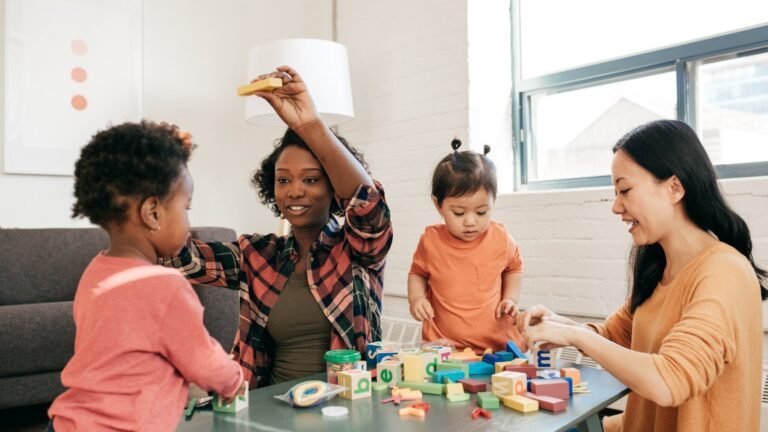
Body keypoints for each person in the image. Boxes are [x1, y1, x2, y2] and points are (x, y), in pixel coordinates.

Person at [518, 119, 767, 432]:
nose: (615, 207)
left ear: (674, 187)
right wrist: (559, 326)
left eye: (625, 190)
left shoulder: (723, 273)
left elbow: (670, 381)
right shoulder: (661, 268)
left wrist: (574, 336)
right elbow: (614, 337)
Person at [163, 66, 393, 387]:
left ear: (333, 188)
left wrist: (311, 125)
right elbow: (177, 256)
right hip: (268, 408)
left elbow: (368, 205)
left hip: (346, 409)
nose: (294, 191)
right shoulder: (257, 255)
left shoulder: (357, 252)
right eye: (283, 180)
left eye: (311, 179)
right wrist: (158, 174)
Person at [47, 122, 245, 432]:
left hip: (71, 421)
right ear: (152, 212)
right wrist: (234, 380)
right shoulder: (164, 286)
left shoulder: (96, 270)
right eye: (186, 207)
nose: (189, 223)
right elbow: (203, 360)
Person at [407, 138, 526, 353]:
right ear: (438, 205)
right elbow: (417, 273)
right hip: (444, 345)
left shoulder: (500, 237)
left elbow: (514, 267)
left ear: (493, 202)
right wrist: (416, 299)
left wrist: (510, 298)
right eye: (459, 213)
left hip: (496, 345)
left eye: (482, 212)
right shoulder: (431, 241)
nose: (471, 222)